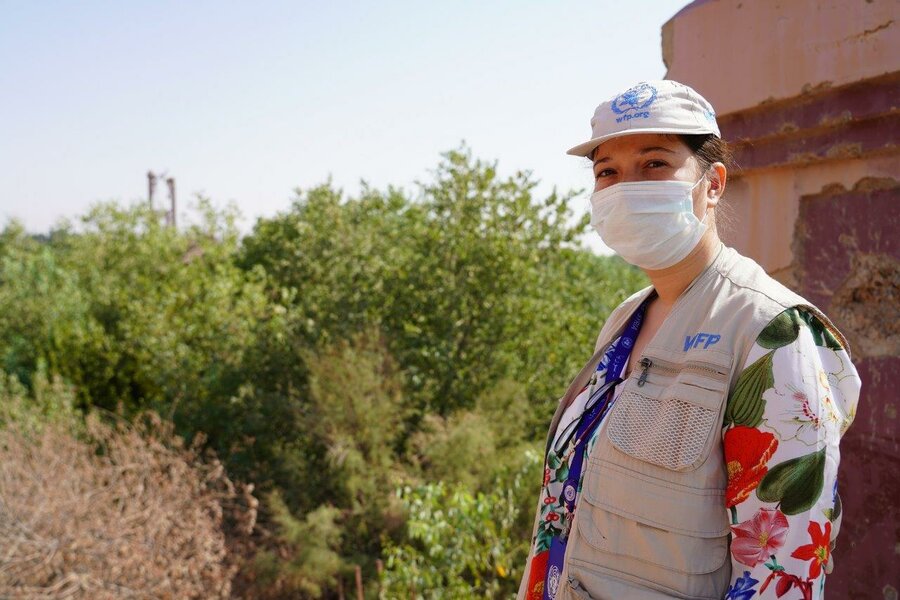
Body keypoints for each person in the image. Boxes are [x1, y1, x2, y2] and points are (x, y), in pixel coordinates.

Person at [517, 80, 861, 600]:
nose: (626, 187)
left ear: (713, 183)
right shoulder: (624, 319)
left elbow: (781, 572)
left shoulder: (773, 331)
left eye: (655, 164)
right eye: (607, 171)